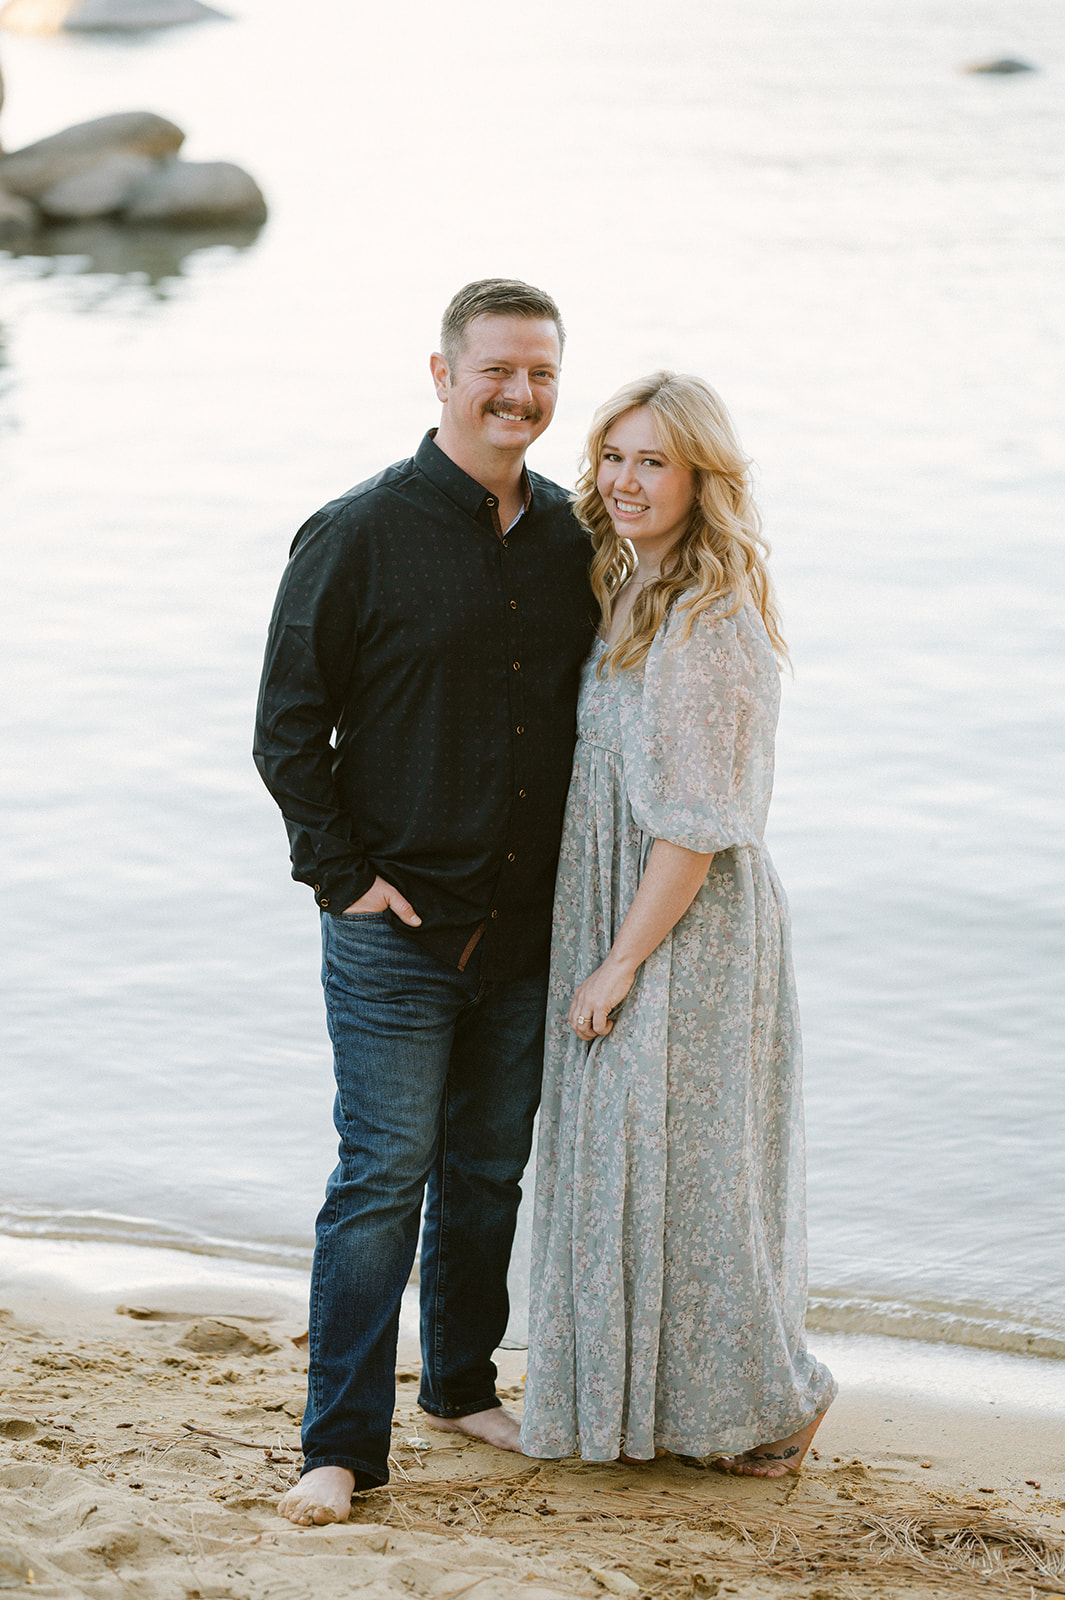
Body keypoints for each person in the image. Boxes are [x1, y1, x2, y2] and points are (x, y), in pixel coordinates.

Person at [253, 279, 597, 1525]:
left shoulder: (574, 537)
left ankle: (458, 1385)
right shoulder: (358, 531)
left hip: (525, 926)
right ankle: (338, 1447)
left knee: (490, 1171)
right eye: (498, 370)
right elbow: (287, 728)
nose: (521, 394)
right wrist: (343, 879)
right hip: (393, 930)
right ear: (443, 374)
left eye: (543, 375)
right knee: (380, 1179)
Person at [518, 372, 836, 1476]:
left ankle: (783, 1399)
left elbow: (695, 828)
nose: (625, 481)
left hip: (681, 927)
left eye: (653, 461)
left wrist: (616, 964)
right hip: (625, 907)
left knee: (693, 1174)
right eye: (614, 457)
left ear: (704, 478)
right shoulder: (627, 585)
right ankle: (666, 1406)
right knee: (633, 1168)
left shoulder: (706, 616)